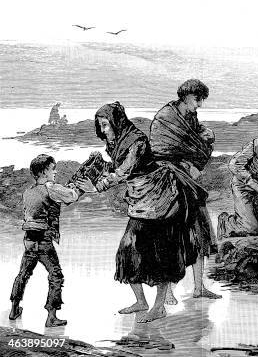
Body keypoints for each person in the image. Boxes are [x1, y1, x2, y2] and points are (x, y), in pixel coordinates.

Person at [78, 102, 201, 323]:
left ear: (117, 122)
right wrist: (99, 166)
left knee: (162, 255)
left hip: (160, 200)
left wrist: (96, 187)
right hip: (139, 202)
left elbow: (124, 171)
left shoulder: (137, 141)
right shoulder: (115, 142)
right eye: (100, 126)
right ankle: (141, 302)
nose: (103, 130)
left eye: (106, 125)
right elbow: (118, 168)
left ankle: (159, 306)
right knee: (127, 250)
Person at [149, 79, 220, 301]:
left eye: (202, 100)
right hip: (168, 182)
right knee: (171, 237)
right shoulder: (165, 117)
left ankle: (199, 287)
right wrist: (185, 163)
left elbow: (194, 141)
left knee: (199, 231)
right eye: (197, 99)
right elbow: (159, 151)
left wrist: (205, 136)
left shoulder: (191, 116)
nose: (200, 105)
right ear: (186, 96)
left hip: (189, 182)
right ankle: (167, 291)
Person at [9, 154, 81, 327]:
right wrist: (74, 189)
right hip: (43, 240)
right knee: (56, 275)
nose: (55, 172)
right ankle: (51, 316)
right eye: (53, 169)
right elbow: (71, 196)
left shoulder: (28, 192)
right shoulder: (51, 187)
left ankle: (14, 309)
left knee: (23, 274)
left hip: (28, 240)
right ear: (43, 172)